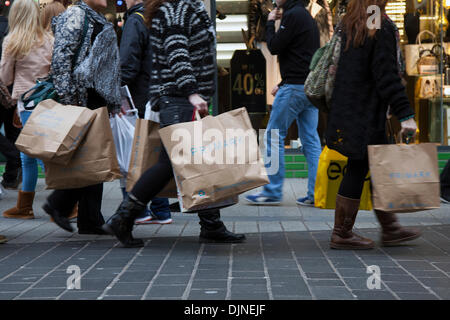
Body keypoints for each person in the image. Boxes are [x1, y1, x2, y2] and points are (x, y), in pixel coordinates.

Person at [102, 0, 246, 247]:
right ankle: (123, 218)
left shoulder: (180, 7)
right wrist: (191, 92)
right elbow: (177, 51)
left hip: (180, 98)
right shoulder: (178, 9)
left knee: (198, 160)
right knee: (169, 164)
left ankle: (211, 224)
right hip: (178, 99)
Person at [326, 0, 422, 249]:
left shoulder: (352, 23)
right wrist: (405, 115)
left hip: (350, 109)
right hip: (366, 113)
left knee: (375, 164)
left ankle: (389, 228)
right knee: (359, 165)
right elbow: (386, 74)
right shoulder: (379, 25)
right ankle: (342, 233)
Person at [42, 0, 122, 235]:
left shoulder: (96, 17)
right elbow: (61, 59)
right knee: (88, 157)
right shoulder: (75, 15)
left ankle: (89, 218)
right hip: (80, 97)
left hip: (96, 97)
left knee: (93, 158)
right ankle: (59, 204)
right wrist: (68, 99)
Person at [245, 0, 322, 206]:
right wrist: (282, 82)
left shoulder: (293, 15)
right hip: (308, 88)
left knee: (272, 135)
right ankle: (316, 193)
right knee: (311, 141)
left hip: (295, 88)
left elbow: (275, 46)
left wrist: (270, 23)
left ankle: (271, 191)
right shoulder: (305, 16)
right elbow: (303, 55)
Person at [119, 0, 172, 225]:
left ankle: (137, 211)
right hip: (160, 98)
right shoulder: (163, 17)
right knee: (155, 154)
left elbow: (128, 64)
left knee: (133, 157)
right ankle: (162, 211)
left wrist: (118, 95)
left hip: (139, 97)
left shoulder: (135, 20)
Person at [0, 0, 54, 220]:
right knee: (29, 156)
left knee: (37, 156)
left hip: (27, 103)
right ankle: (25, 206)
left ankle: (65, 203)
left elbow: (5, 77)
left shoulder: (13, 41)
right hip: (49, 102)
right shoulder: (49, 39)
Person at [0, 2, 22, 191]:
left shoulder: (10, 32)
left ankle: (15, 160)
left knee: (12, 131)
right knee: (12, 129)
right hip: (14, 87)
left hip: (4, 84)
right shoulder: (11, 29)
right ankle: (11, 175)